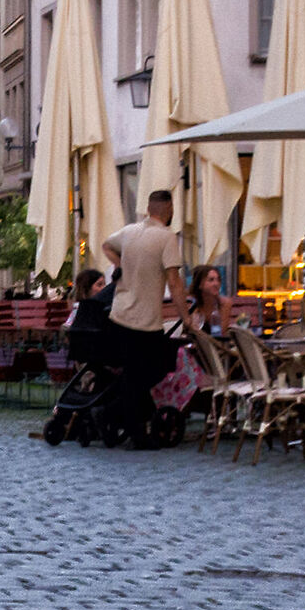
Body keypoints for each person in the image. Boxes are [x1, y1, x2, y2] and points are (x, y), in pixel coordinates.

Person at [100, 188, 187, 440]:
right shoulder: (166, 238)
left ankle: (122, 418)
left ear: (148, 209)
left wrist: (121, 264)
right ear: (169, 210)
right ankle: (122, 420)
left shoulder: (129, 232)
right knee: (153, 369)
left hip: (119, 315)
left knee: (133, 373)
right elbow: (175, 281)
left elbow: (107, 245)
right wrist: (186, 316)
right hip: (145, 321)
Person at [184, 265, 225, 331]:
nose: (216, 284)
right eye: (211, 280)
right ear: (200, 284)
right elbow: (193, 331)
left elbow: (222, 332)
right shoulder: (191, 303)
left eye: (218, 280)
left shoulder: (223, 303)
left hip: (215, 340)